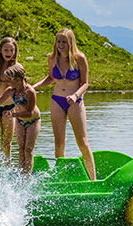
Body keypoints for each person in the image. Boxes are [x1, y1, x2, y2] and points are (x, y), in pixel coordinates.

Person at [34, 29, 95, 180]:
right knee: (59, 142)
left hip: (75, 101)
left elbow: (85, 83)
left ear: (70, 43)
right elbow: (50, 78)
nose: (60, 44)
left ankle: (93, 178)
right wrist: (34, 87)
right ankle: (60, 178)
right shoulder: (52, 58)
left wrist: (75, 95)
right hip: (57, 100)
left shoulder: (79, 58)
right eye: (58, 41)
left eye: (64, 42)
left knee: (82, 142)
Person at [0, 65, 40, 173]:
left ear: (18, 80)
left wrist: (13, 115)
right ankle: (21, 175)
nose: (7, 83)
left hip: (32, 121)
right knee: (21, 149)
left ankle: (27, 176)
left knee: (28, 150)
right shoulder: (10, 91)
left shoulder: (30, 92)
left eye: (9, 81)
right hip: (20, 120)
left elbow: (30, 113)